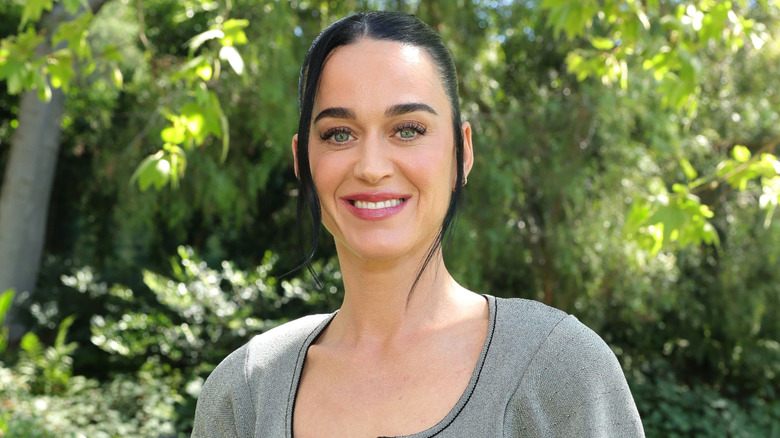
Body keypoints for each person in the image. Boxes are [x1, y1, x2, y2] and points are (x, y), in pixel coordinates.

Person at [192, 11, 644, 438]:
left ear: (461, 153)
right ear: (300, 160)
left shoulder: (558, 367)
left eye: (408, 129)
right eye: (338, 134)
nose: (371, 167)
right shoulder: (246, 390)